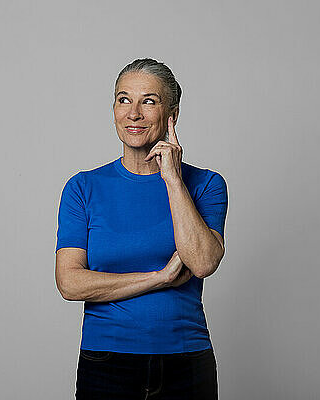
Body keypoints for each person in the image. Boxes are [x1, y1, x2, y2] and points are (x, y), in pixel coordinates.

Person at [55, 58, 228, 400]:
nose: (133, 113)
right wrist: (159, 277)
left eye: (148, 101)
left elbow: (204, 262)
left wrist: (173, 180)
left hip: (186, 360)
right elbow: (70, 283)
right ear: (114, 109)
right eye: (124, 99)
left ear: (172, 115)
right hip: (106, 363)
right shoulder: (84, 187)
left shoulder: (206, 184)